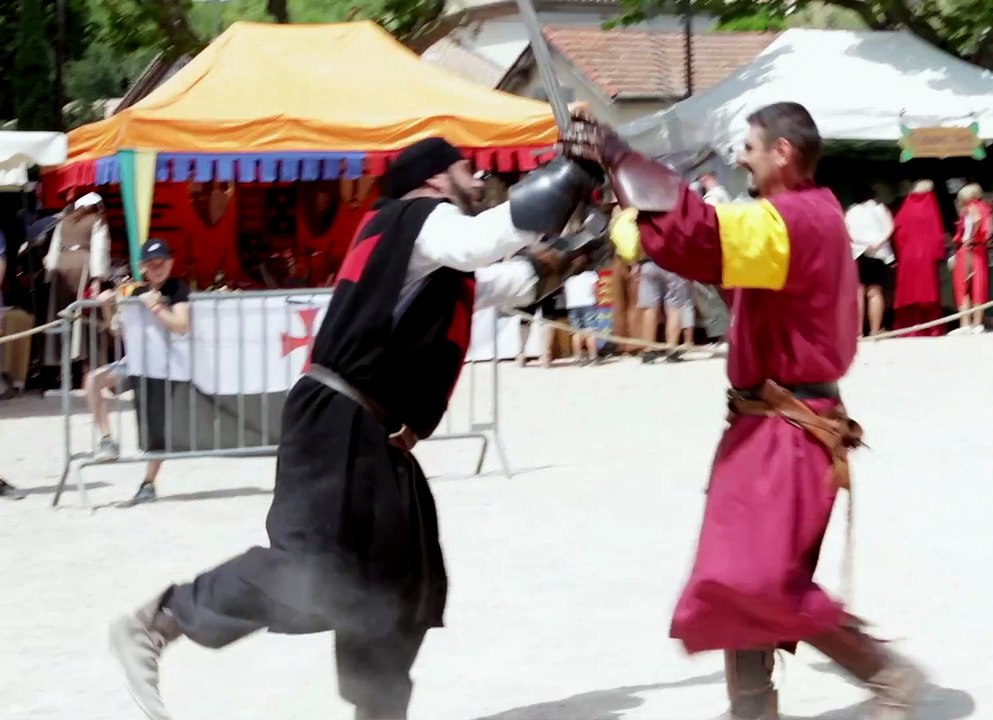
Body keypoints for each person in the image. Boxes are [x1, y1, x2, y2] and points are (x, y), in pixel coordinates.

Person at [107, 137, 607, 720]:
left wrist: (583, 247)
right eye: (467, 170)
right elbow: (482, 242)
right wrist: (573, 174)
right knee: (312, 570)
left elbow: (513, 281)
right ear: (436, 178)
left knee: (399, 584)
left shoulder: (431, 261)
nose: (478, 179)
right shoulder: (415, 220)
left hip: (372, 434)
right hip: (336, 419)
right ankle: (157, 622)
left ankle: (378, 712)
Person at [564, 102, 927, 720]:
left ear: (783, 153)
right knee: (733, 580)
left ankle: (887, 675)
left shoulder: (796, 220)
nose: (739, 157)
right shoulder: (790, 223)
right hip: (764, 424)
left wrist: (621, 157)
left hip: (791, 427)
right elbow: (700, 250)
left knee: (754, 579)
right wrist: (622, 203)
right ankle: (752, 710)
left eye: (751, 147)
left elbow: (702, 237)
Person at [85, 238, 190, 506]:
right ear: (143, 267)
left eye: (162, 263)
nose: (158, 269)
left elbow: (181, 324)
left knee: (155, 429)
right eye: (152, 264)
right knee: (92, 381)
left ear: (171, 263)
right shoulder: (134, 291)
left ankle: (148, 482)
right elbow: (117, 329)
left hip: (165, 367)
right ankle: (107, 439)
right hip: (136, 362)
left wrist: (155, 305)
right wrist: (108, 306)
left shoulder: (178, 288)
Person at [43, 192, 110, 369]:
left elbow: (53, 250)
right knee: (86, 320)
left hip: (60, 267)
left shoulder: (63, 221)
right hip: (83, 267)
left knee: (62, 317)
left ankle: (64, 372)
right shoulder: (97, 220)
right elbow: (100, 248)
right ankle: (88, 371)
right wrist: (97, 278)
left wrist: (50, 273)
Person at [891, 181, 946, 337]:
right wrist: (939, 253)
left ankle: (909, 328)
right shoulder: (930, 205)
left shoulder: (906, 207)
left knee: (909, 292)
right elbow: (936, 232)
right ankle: (930, 328)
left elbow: (898, 231)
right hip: (926, 257)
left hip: (908, 256)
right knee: (927, 292)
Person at [845, 184, 895, 336]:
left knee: (858, 292)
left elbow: (846, 232)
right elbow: (890, 227)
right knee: (875, 292)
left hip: (858, 253)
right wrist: (878, 242)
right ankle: (875, 330)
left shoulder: (850, 212)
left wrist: (862, 244)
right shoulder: (880, 209)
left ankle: (858, 332)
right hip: (879, 253)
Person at [949, 183, 993, 335]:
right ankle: (977, 322)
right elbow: (988, 229)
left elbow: (976, 220)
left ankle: (965, 322)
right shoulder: (985, 207)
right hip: (980, 248)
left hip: (967, 248)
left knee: (963, 285)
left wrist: (970, 236)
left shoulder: (971, 206)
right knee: (978, 284)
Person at [563, 264, 601, 365]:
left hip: (572, 306)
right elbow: (595, 290)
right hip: (587, 304)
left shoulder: (568, 279)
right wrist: (597, 300)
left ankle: (578, 358)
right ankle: (593, 357)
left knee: (576, 333)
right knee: (591, 331)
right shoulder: (591, 275)